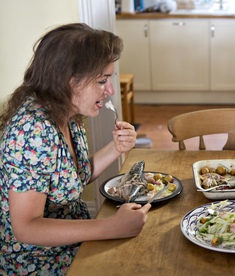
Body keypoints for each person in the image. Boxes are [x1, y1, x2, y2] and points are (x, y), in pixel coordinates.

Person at [0, 23, 151, 274]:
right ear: (68, 80)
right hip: (37, 259)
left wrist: (115, 148)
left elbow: (72, 176)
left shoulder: (66, 112)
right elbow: (26, 227)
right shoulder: (32, 132)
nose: (111, 90)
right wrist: (111, 227)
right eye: (102, 81)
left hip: (74, 236)